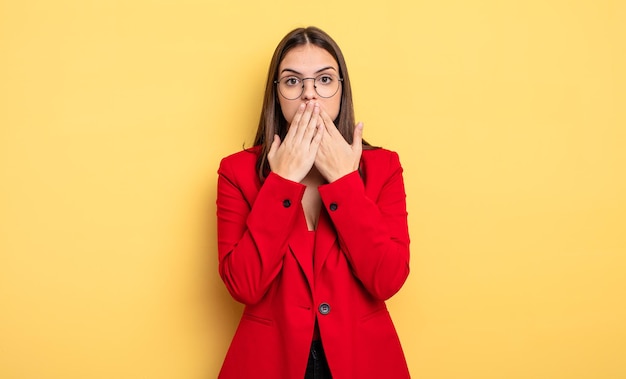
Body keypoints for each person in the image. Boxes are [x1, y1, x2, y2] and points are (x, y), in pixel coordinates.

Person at [216, 26, 411, 379]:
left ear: (341, 89)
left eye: (324, 80)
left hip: (362, 361)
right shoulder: (236, 172)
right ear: (276, 94)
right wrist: (283, 182)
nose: (310, 95)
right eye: (293, 82)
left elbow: (387, 280)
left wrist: (344, 182)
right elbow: (244, 285)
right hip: (269, 363)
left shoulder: (383, 168)